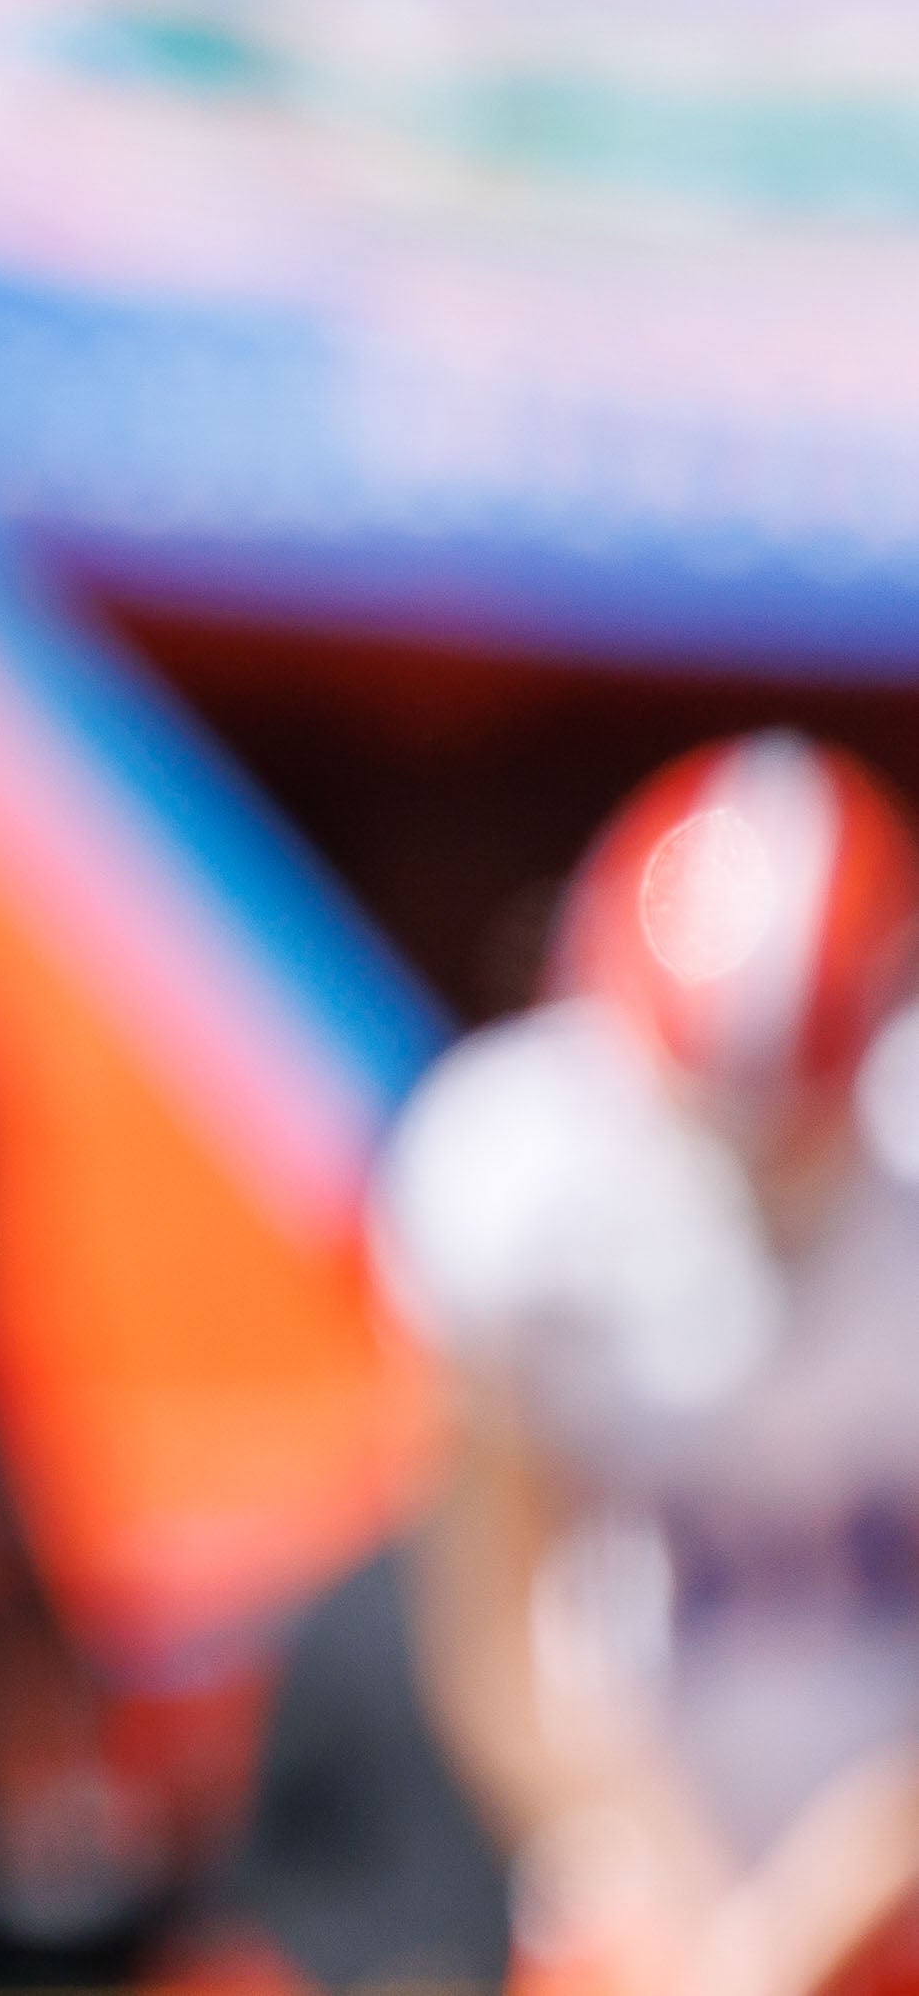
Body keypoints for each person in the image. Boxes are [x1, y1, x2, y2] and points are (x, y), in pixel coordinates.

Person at [371, 731, 919, 1996]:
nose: (745, 1153)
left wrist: (852, 1880)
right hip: (643, 1901)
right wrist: (670, 1900)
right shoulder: (515, 1176)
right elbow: (494, 1627)